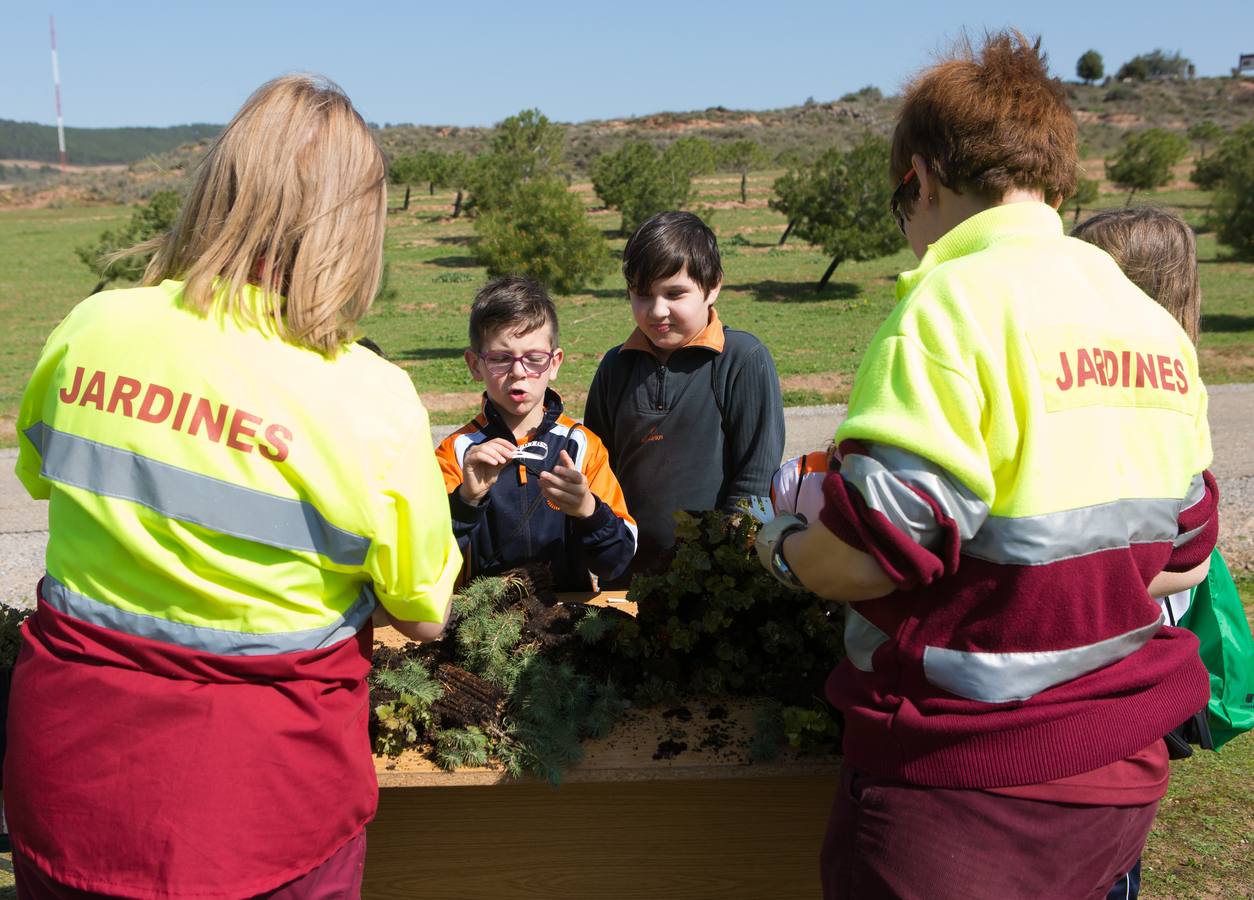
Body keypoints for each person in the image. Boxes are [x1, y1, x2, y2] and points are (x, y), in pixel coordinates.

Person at [753, 33, 1217, 899]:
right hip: (1118, 780)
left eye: (904, 203)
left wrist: (780, 539)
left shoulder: (949, 303)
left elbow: (864, 556)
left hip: (963, 793)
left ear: (921, 179)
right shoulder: (1144, 318)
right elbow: (1185, 552)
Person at [7, 75, 462, 898]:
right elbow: (423, 615)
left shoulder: (93, 325)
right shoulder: (372, 398)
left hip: (71, 786)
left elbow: (42, 473)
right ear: (354, 224)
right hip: (265, 813)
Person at [1072, 206, 1243, 900]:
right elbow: (1191, 549)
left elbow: (1186, 551)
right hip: (1130, 685)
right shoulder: (1176, 388)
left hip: (1099, 678)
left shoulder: (1124, 402)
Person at [584, 211, 785, 583]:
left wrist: (725, 561)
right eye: (643, 295)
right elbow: (596, 471)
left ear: (712, 288)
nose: (658, 310)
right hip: (626, 576)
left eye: (675, 293)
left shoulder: (741, 359)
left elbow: (754, 479)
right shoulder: (615, 367)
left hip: (713, 581)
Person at [435, 275, 636, 590]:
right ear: (475, 365)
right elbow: (426, 562)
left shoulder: (582, 446)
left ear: (554, 363)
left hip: (565, 624)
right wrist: (467, 501)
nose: (518, 371)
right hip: (481, 628)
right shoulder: (456, 452)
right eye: (500, 359)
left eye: (534, 359)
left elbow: (616, 561)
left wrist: (588, 511)